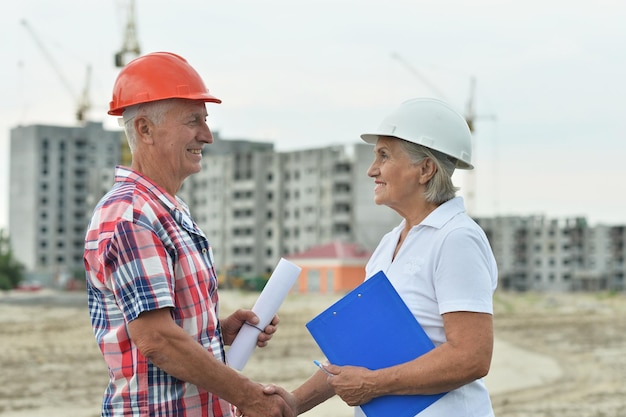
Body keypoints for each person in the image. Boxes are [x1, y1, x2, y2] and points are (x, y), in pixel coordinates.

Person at [84, 52, 294, 417]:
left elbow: (166, 334)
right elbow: (156, 339)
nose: (207, 136)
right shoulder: (132, 215)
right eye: (193, 121)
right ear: (145, 130)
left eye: (206, 121)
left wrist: (218, 333)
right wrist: (248, 396)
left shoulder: (167, 210)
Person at [266, 98, 498, 416]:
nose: (371, 169)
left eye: (384, 156)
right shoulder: (389, 244)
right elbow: (360, 354)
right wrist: (293, 403)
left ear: (425, 169)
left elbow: (472, 357)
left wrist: (375, 383)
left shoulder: (455, 238)